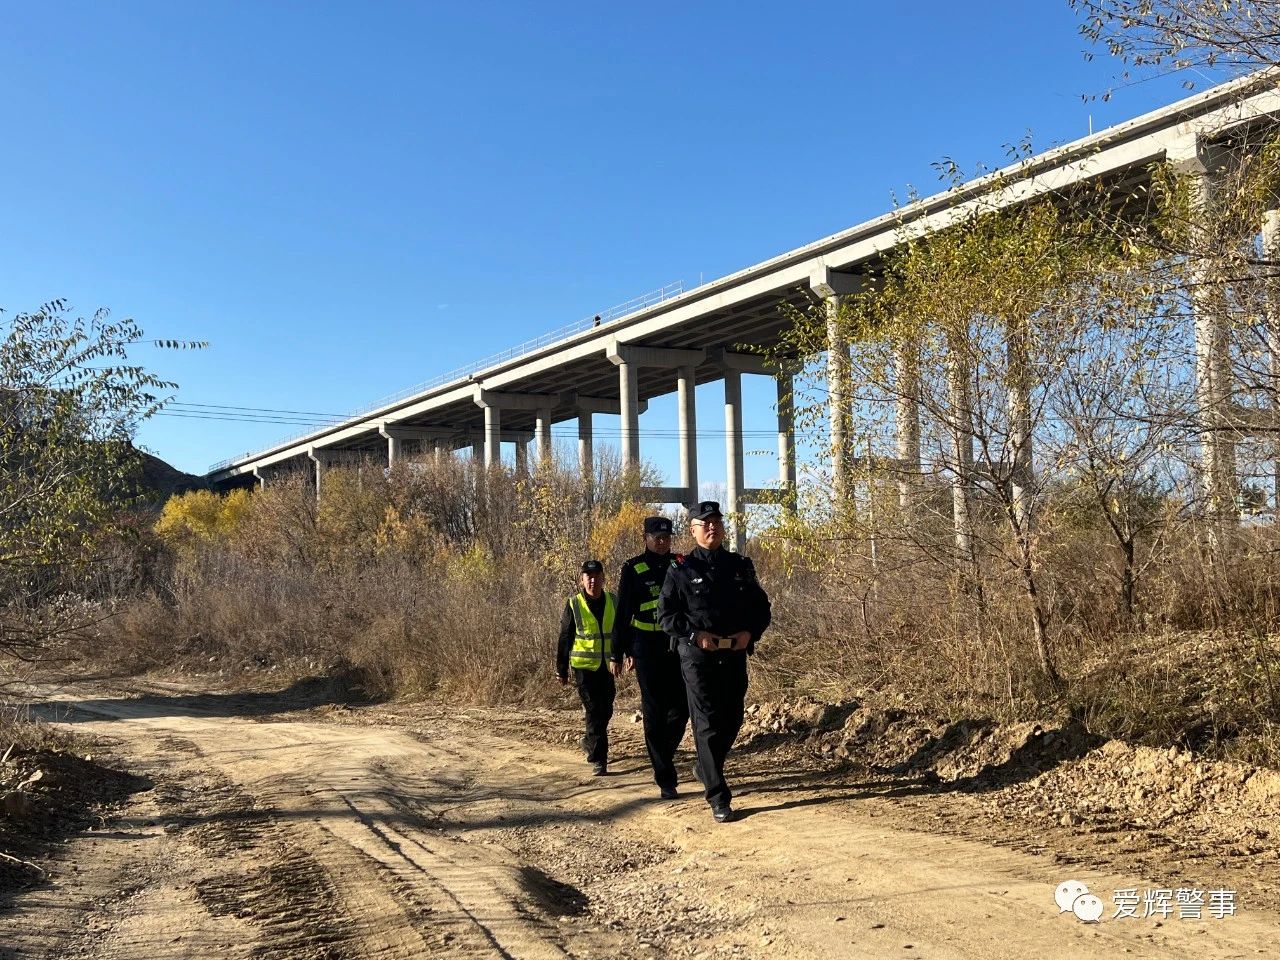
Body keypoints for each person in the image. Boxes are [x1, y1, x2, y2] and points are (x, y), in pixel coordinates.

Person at [658, 501, 771, 822]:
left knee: (733, 718)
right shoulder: (680, 569)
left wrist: (751, 632)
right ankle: (718, 797)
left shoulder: (740, 566)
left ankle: (705, 766)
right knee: (706, 725)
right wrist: (695, 636)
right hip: (697, 659)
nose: (712, 527)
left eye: (716, 522)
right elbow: (666, 616)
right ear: (693, 530)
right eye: (704, 523)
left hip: (734, 655)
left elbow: (761, 609)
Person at [616, 515, 688, 800]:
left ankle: (663, 757)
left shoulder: (680, 564)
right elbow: (622, 613)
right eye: (656, 537)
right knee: (654, 711)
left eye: (666, 537)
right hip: (646, 647)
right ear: (645, 538)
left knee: (681, 709)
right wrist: (618, 652)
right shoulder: (632, 568)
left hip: (677, 646)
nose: (662, 542)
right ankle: (665, 777)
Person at [556, 559, 623, 776]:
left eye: (596, 576)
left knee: (606, 709)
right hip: (584, 667)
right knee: (594, 709)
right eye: (588, 577)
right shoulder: (574, 604)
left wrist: (626, 654)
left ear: (603, 578)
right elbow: (565, 637)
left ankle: (589, 740)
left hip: (607, 666)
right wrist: (562, 668)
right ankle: (599, 759)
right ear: (582, 580)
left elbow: (622, 631)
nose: (592, 580)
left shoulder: (613, 600)